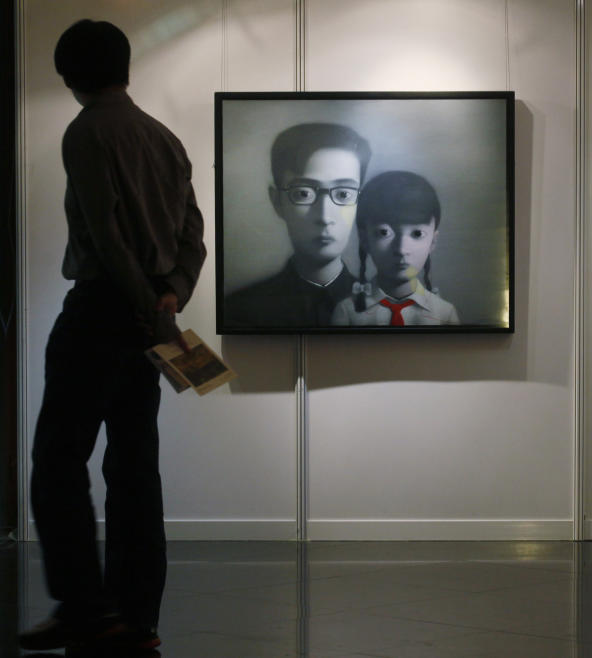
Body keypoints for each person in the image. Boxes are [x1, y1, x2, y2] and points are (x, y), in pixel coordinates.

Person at [19, 19, 206, 652]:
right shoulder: (164, 137)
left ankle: (84, 608)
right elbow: (192, 236)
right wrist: (169, 295)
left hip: (104, 312)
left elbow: (105, 235)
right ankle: (135, 617)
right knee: (134, 468)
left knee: (57, 462)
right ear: (124, 68)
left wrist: (142, 305)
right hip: (150, 316)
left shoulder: (86, 131)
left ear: (68, 74)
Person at [223, 123, 371, 329]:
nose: (325, 216)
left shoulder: (381, 309)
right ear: (277, 202)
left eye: (344, 194)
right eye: (304, 193)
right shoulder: (238, 311)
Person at [331, 171, 460, 326]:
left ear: (433, 241)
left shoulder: (444, 313)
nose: (401, 249)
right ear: (365, 239)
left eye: (417, 233)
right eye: (384, 232)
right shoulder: (348, 311)